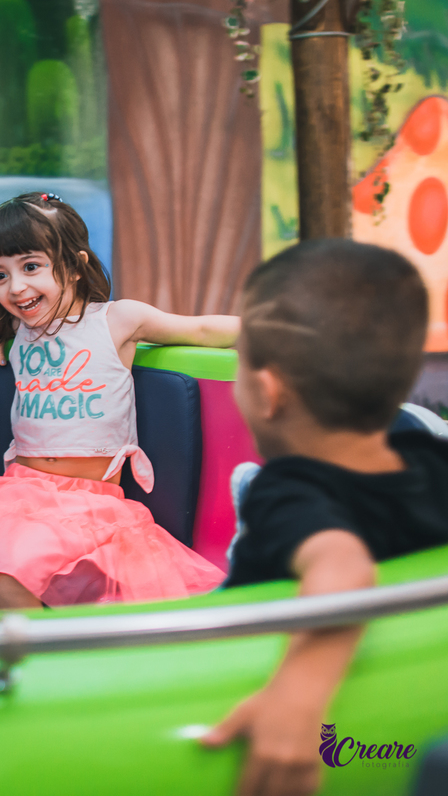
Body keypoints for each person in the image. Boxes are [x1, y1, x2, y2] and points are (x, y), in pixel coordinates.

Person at [201, 239, 448, 796]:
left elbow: (344, 566)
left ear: (267, 393)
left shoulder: (286, 490)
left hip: (243, 694)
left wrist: (299, 695)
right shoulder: (435, 461)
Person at [0, 192, 234, 610]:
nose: (16, 287)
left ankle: (39, 675)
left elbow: (200, 331)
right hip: (15, 492)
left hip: (86, 502)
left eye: (31, 267)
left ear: (74, 266)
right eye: (0, 275)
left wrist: (276, 328)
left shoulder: (117, 319)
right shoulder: (16, 322)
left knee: (12, 581)